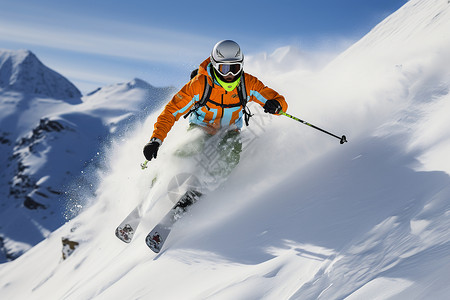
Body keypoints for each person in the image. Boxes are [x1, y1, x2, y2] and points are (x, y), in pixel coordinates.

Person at [143, 40, 288, 181]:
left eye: (235, 68)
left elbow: (276, 99)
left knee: (230, 154)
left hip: (230, 131)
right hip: (201, 127)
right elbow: (171, 111)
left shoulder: (247, 84)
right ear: (214, 66)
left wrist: (276, 105)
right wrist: (156, 140)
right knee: (186, 151)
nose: (230, 75)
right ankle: (158, 179)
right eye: (224, 69)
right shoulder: (199, 84)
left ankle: (204, 186)